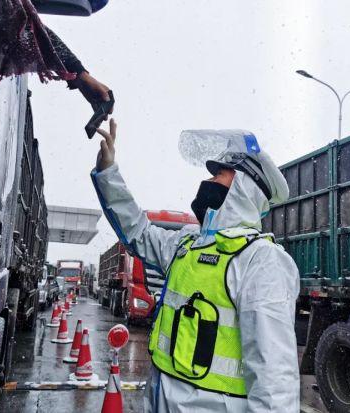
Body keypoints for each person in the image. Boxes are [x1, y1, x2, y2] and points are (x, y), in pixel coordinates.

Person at [90, 119, 301, 412]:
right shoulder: (188, 245)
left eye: (221, 173)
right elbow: (138, 232)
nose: (209, 181)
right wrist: (107, 173)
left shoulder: (262, 261)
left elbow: (274, 380)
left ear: (245, 187)